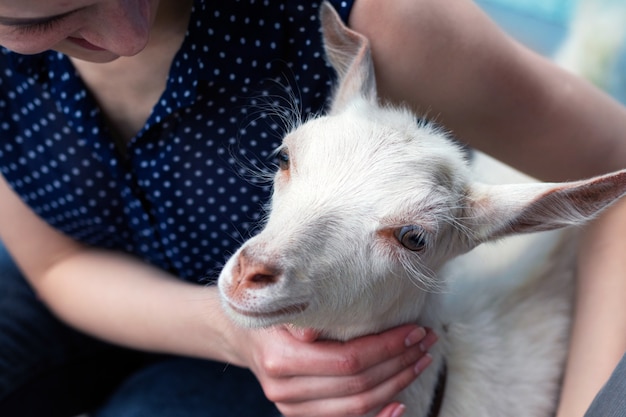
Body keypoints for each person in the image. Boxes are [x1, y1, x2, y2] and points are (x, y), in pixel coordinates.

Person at [0, 1, 624, 417]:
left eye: (408, 235)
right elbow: (54, 263)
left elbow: (617, 173)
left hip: (333, 342)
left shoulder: (381, 19)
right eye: (39, 19)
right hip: (96, 283)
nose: (127, 38)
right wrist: (228, 333)